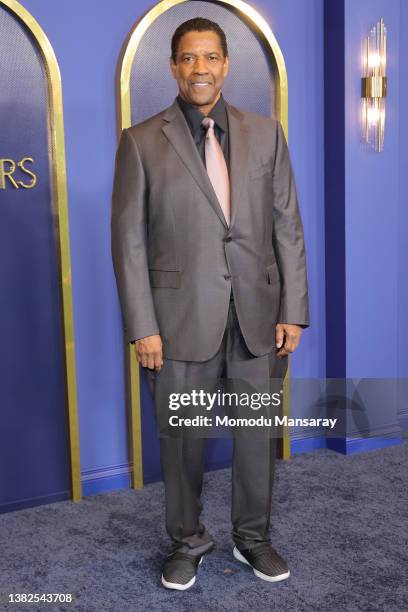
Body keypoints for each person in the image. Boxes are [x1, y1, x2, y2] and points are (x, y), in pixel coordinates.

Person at [111, 17, 309, 591]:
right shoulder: (141, 140)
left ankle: (254, 538)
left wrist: (292, 308)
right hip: (175, 325)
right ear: (174, 67)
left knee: (256, 436)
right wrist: (142, 326)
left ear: (226, 64)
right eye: (189, 58)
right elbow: (128, 242)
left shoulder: (266, 133)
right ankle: (187, 541)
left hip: (257, 317)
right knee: (182, 443)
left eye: (211, 57)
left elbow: (287, 228)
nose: (201, 68)